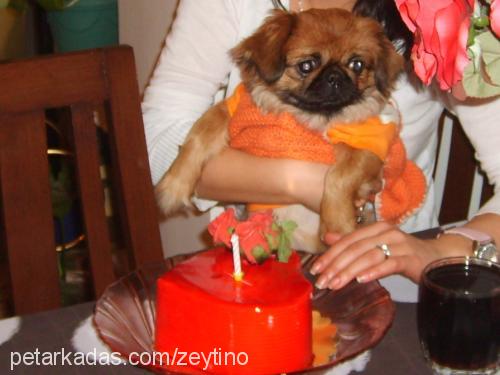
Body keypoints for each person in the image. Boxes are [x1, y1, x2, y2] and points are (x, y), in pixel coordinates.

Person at [142, 0, 500, 295]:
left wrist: (440, 252)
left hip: (386, 282)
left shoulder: (453, 12)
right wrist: (304, 181)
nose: (333, 79)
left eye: (355, 65)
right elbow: (155, 142)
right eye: (309, 65)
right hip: (253, 265)